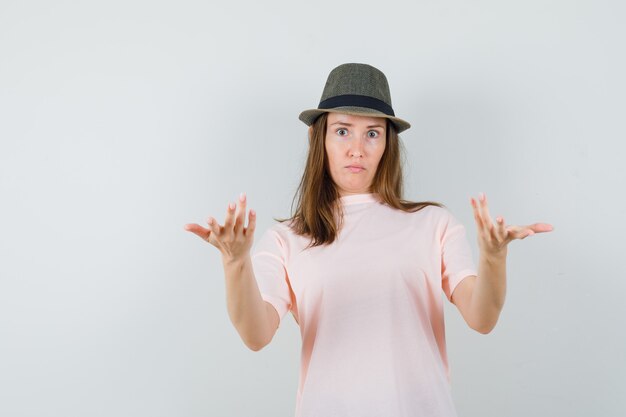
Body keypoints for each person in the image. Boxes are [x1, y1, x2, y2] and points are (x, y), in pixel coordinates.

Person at [184, 63, 553, 417]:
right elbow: (255, 333)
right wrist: (234, 263)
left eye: (372, 133)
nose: (356, 148)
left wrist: (492, 256)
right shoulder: (287, 238)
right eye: (343, 130)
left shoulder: (433, 223)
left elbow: (482, 317)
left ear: (387, 143)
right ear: (318, 137)